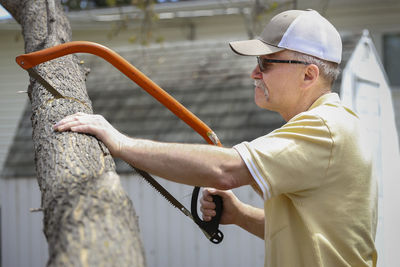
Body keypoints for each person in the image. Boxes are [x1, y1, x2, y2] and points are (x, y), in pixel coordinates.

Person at [54, 9, 377, 267]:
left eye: (266, 64)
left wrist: (121, 143)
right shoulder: (331, 125)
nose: (254, 73)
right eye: (256, 64)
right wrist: (239, 216)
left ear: (308, 74)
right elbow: (309, 233)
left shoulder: (325, 128)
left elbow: (226, 170)